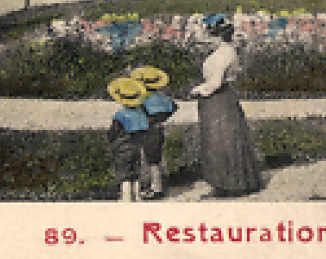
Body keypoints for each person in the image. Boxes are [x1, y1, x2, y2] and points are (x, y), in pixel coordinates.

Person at [188, 13, 263, 196]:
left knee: (222, 139)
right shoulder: (226, 51)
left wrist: (196, 90)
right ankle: (229, 181)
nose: (207, 40)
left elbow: (215, 83)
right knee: (223, 138)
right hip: (221, 99)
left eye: (209, 36)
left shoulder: (224, 54)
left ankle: (230, 183)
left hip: (218, 99)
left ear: (217, 36)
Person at [130, 65, 177, 200]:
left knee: (150, 160)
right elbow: (173, 107)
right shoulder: (162, 97)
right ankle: (156, 186)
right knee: (156, 159)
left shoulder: (143, 98)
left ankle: (156, 189)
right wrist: (162, 118)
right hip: (158, 128)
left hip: (147, 130)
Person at [105, 76, 150, 203]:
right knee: (135, 172)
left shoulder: (120, 115)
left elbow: (113, 132)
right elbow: (145, 130)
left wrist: (112, 142)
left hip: (123, 148)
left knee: (124, 173)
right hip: (137, 147)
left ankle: (126, 198)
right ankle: (137, 196)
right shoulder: (141, 114)